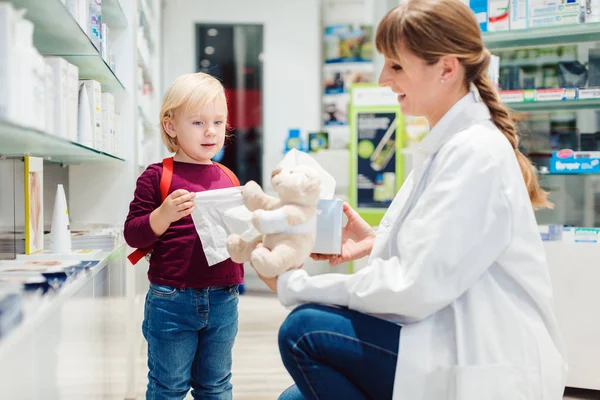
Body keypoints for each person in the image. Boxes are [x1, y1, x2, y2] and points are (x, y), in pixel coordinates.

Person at [258, 1, 568, 399]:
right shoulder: (449, 145)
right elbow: (439, 255)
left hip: (483, 360)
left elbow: (414, 290)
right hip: (445, 338)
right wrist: (378, 240)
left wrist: (295, 284)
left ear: (446, 68)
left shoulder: (475, 153)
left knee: (305, 332)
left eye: (396, 66)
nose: (383, 78)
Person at [124, 72, 242, 400]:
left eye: (218, 122)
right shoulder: (156, 176)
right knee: (169, 386)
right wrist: (162, 216)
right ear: (171, 125)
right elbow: (133, 234)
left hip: (224, 298)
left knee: (216, 384)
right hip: (171, 300)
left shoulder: (229, 178)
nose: (211, 131)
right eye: (198, 122)